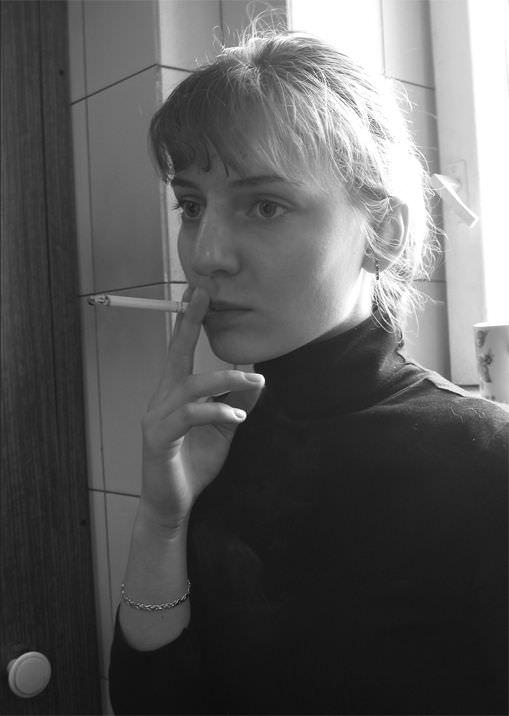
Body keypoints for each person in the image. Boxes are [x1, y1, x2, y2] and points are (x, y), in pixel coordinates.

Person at [108, 26, 508, 715]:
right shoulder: (215, 441)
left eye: (265, 206)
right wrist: (162, 521)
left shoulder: (485, 461)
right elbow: (150, 703)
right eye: (192, 205)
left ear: (381, 232)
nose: (204, 254)